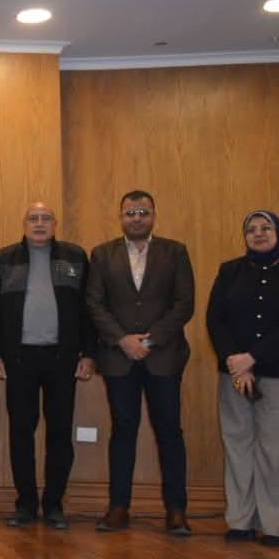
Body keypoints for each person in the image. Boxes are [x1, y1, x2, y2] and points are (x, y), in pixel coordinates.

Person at [87, 190, 195, 535]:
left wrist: (149, 340)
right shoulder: (102, 254)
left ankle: (176, 511)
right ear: (121, 217)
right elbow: (94, 304)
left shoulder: (175, 252)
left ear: (153, 216)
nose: (137, 218)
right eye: (130, 213)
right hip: (118, 358)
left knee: (170, 433)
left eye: (143, 212)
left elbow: (184, 303)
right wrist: (123, 340)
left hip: (163, 357)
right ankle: (118, 508)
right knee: (123, 432)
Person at [206, 210, 279, 547]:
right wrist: (236, 361)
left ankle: (274, 525)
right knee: (238, 445)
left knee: (277, 450)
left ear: (278, 232)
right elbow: (215, 319)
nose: (258, 233)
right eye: (251, 229)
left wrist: (252, 358)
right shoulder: (229, 271)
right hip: (235, 375)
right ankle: (240, 520)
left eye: (266, 228)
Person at [0, 202, 96, 530]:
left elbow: (89, 309)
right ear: (24, 224)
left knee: (60, 433)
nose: (39, 223)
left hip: (63, 358)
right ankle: (25, 504)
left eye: (45, 218)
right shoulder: (5, 259)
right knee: (21, 432)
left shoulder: (75, 257)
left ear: (55, 223)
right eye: (33, 218)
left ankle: (54, 504)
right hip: (19, 359)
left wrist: (90, 354)